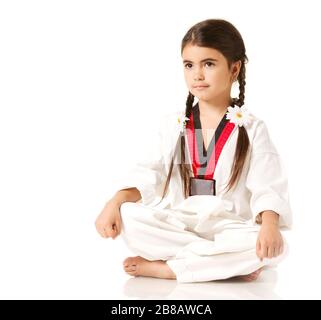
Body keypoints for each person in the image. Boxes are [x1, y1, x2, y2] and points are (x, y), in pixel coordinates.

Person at [95, 18, 293, 283]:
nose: (197, 74)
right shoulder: (173, 125)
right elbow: (149, 173)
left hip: (227, 226)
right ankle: (224, 264)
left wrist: (269, 226)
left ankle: (169, 268)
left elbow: (268, 185)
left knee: (275, 249)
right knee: (129, 216)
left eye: (208, 64)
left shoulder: (252, 128)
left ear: (234, 69)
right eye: (189, 65)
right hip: (180, 221)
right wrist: (114, 201)